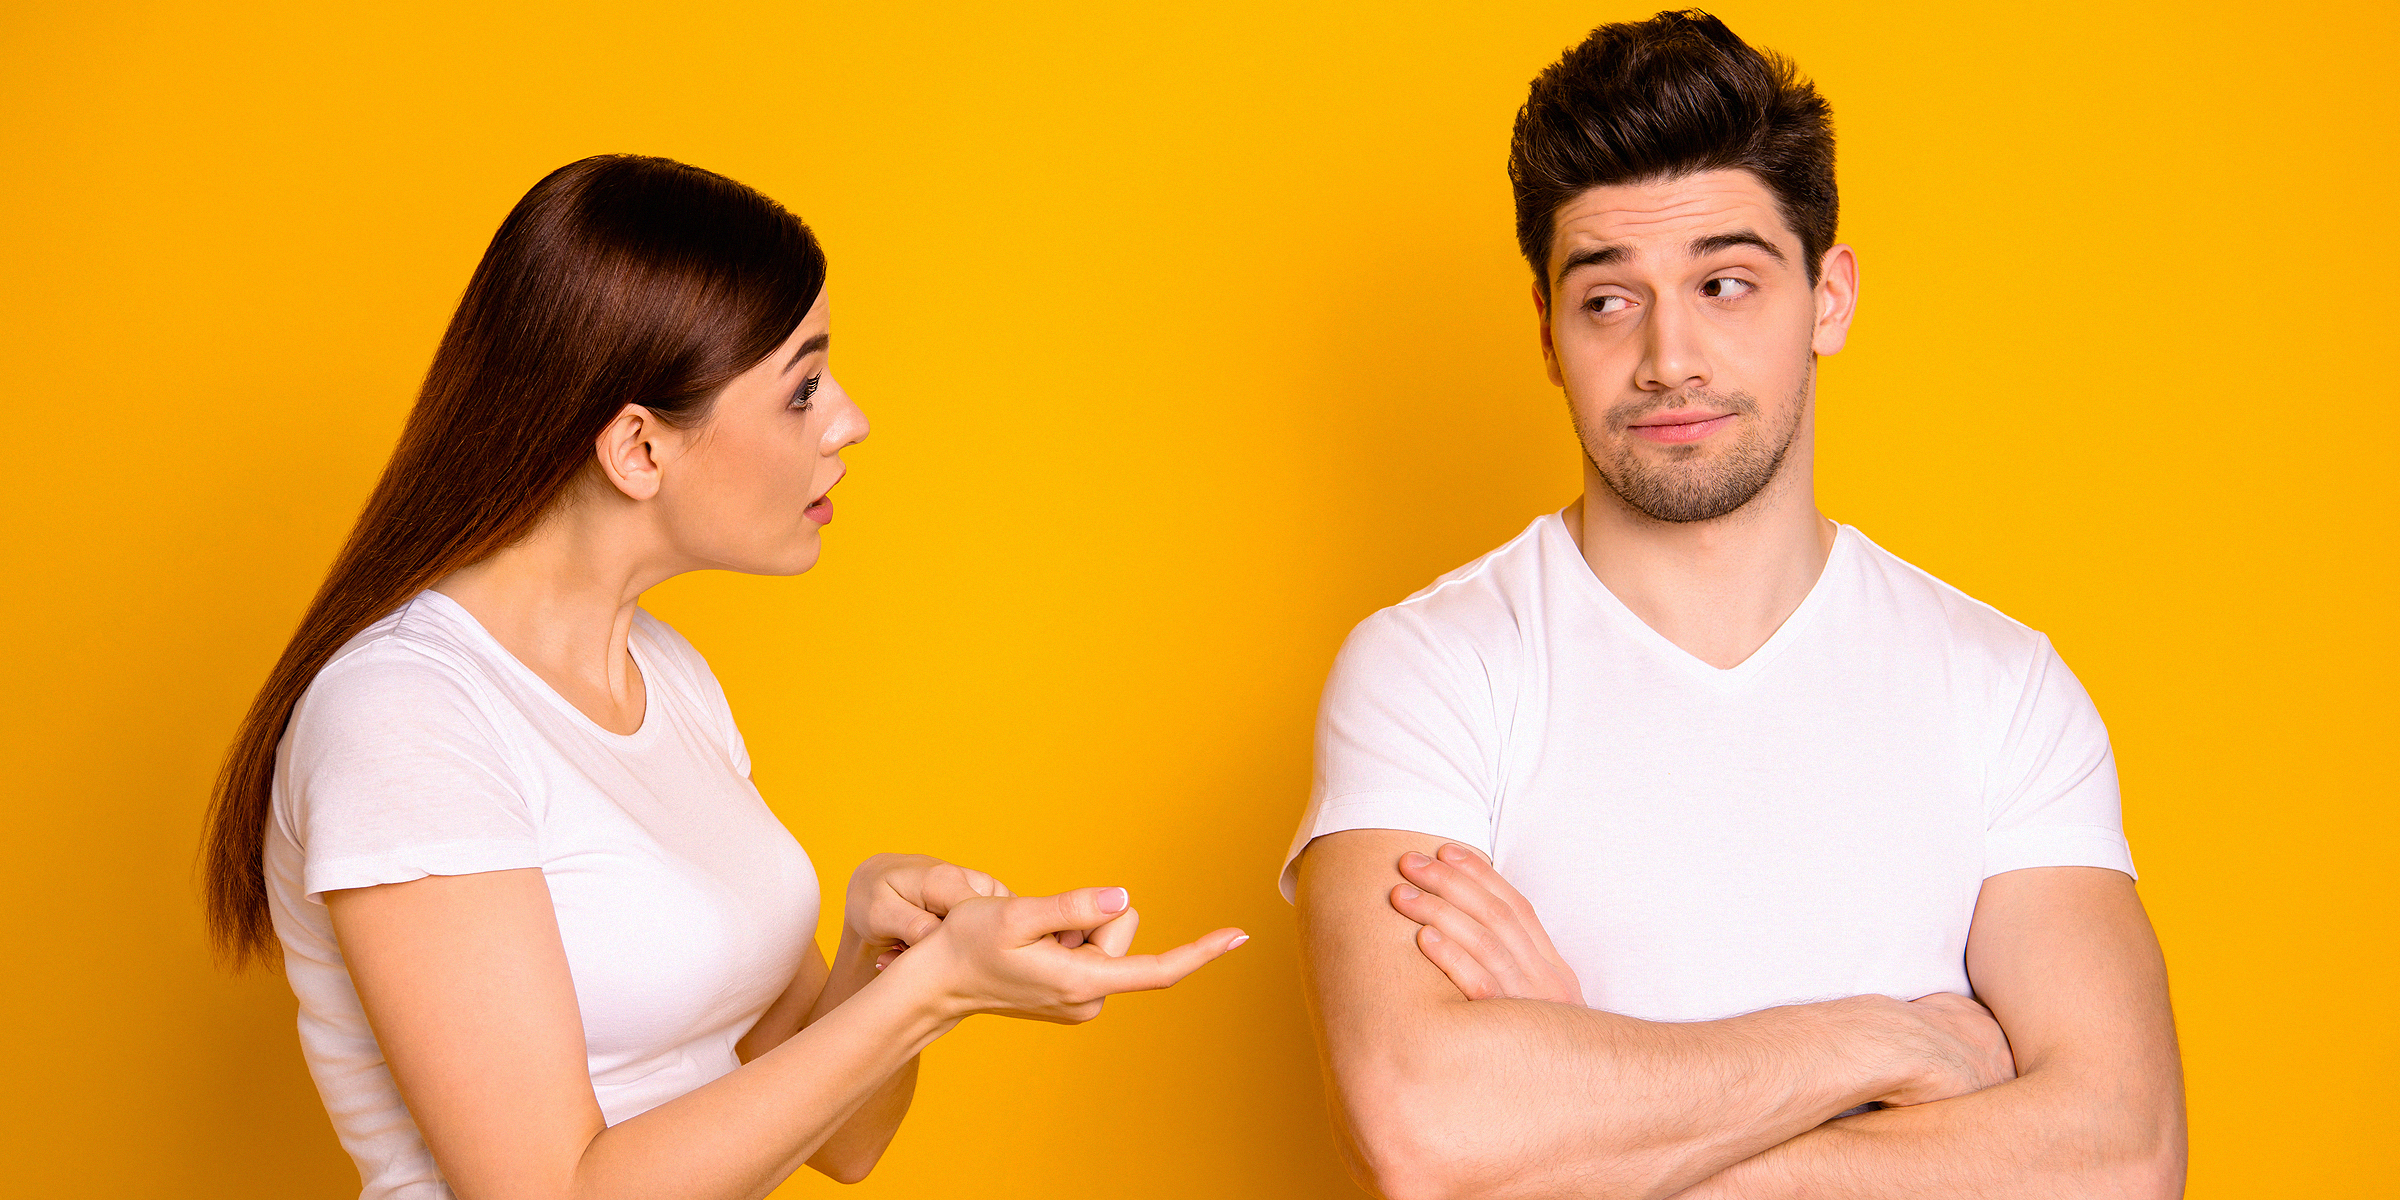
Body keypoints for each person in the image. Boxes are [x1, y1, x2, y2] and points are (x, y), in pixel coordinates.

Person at [199, 154, 1246, 1200]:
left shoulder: (668, 676)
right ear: (640, 450)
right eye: (802, 389)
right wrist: (932, 990)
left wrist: (878, 961)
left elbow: (844, 1141)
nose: (850, 420)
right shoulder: (404, 720)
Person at [1285, 12, 2185, 1199]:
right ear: (1548, 335)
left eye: (1725, 283)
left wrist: (1589, 1131)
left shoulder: (2001, 687)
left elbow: (2122, 1155)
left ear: (1829, 297)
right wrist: (1890, 1041)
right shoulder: (1435, 669)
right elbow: (1432, 1133)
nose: (1669, 356)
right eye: (1608, 300)